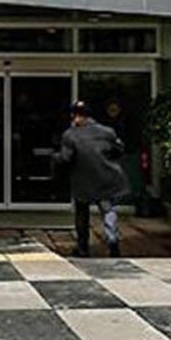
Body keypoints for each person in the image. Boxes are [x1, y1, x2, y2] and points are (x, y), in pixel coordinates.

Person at [58, 99, 127, 257]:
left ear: (75, 116)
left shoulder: (70, 135)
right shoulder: (107, 132)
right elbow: (119, 150)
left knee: (82, 213)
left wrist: (56, 158)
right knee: (108, 210)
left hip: (83, 179)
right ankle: (112, 238)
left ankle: (83, 247)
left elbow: (66, 158)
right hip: (105, 176)